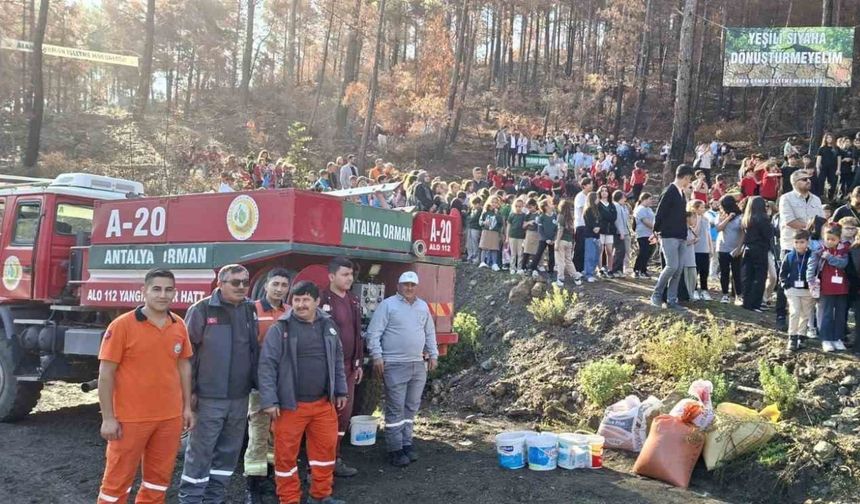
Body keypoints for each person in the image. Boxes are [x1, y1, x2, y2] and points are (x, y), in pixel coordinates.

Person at [96, 269, 193, 504]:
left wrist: (187, 408)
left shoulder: (178, 324)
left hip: (169, 418)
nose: (163, 295)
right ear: (144, 292)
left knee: (157, 481)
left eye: (168, 289)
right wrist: (108, 418)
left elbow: (184, 368)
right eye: (157, 289)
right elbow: (106, 374)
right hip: (131, 418)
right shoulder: (122, 326)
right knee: (116, 484)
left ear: (175, 293)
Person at [258, 281, 349, 504]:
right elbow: (266, 366)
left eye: (306, 299)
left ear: (317, 302)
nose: (300, 305)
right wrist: (269, 400)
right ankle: (289, 499)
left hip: (322, 404)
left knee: (325, 454)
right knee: (285, 456)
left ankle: (320, 495)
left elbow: (337, 360)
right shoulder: (281, 329)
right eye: (296, 300)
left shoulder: (328, 326)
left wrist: (340, 390)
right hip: (290, 406)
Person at [180, 265, 259, 504]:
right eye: (235, 282)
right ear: (220, 283)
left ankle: (213, 499)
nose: (242, 287)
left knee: (228, 454)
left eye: (245, 282)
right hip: (208, 397)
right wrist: (190, 393)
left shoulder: (249, 310)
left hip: (239, 397)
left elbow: (253, 351)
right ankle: (191, 500)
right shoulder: (202, 310)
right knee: (200, 453)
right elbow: (186, 356)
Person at [367, 271, 438, 467]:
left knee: (411, 407)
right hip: (395, 364)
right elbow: (374, 333)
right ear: (398, 286)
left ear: (416, 287)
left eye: (412, 285)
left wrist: (433, 354)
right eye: (405, 284)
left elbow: (429, 333)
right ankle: (394, 449)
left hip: (417, 364)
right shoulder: (388, 305)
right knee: (395, 408)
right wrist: (377, 357)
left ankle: (407, 444)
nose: (409, 288)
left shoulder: (422, 306)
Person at [244, 269, 290, 503]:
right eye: (276, 284)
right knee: (259, 433)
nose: (279, 289)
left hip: (282, 383)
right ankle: (253, 486)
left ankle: (269, 478)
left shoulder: (290, 312)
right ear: (266, 285)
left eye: (284, 285)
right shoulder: (252, 309)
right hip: (259, 382)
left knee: (276, 433)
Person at [318, 258, 364, 478]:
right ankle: (320, 464)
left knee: (343, 416)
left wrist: (358, 362)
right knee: (326, 416)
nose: (350, 279)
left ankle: (335, 459)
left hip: (349, 368)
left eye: (351, 275)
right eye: (345, 274)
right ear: (331, 277)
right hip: (327, 369)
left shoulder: (354, 301)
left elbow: (357, 334)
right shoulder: (322, 300)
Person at [776, 171, 824, 331]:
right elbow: (790, 221)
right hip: (791, 246)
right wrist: (809, 226)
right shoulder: (786, 198)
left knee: (809, 282)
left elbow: (822, 222)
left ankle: (809, 322)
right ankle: (781, 316)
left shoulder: (816, 199)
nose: (808, 181)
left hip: (812, 248)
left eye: (809, 179)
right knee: (787, 282)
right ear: (795, 182)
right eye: (804, 179)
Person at [650, 164, 694, 309]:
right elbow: (660, 212)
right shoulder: (669, 191)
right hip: (669, 235)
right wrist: (656, 231)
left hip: (681, 235)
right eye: (690, 178)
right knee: (671, 266)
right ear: (686, 177)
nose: (690, 182)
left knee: (678, 269)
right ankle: (656, 294)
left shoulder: (681, 193)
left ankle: (672, 299)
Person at [808, 223, 849, 352]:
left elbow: (843, 263)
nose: (830, 242)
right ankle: (826, 339)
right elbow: (811, 266)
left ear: (839, 239)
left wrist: (830, 257)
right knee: (825, 313)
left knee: (840, 313)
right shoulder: (819, 250)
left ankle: (837, 338)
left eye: (833, 239)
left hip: (841, 287)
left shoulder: (843, 250)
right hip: (825, 286)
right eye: (828, 239)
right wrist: (810, 281)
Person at [780, 230, 813, 352]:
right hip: (793, 289)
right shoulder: (789, 256)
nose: (799, 245)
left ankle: (801, 336)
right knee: (795, 312)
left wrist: (813, 286)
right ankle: (792, 337)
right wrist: (785, 285)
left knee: (805, 314)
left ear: (807, 242)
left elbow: (816, 271)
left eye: (802, 242)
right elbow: (783, 273)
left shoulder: (812, 256)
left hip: (807, 290)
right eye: (796, 242)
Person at [741, 196, 774, 312]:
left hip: (748, 248)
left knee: (748, 276)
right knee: (759, 277)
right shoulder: (763, 218)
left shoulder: (747, 218)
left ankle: (746, 302)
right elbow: (768, 234)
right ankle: (755, 304)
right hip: (760, 249)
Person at [716, 196, 744, 305]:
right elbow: (718, 228)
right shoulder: (721, 215)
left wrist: (739, 248)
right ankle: (725, 295)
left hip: (735, 249)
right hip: (722, 247)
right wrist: (727, 218)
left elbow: (743, 233)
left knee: (737, 272)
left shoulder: (740, 217)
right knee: (724, 272)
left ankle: (739, 295)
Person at [554, 199, 583, 287]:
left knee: (560, 261)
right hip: (569, 241)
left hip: (562, 240)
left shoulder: (560, 217)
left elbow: (560, 230)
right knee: (568, 260)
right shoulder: (571, 218)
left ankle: (560, 278)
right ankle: (576, 277)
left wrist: (557, 242)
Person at [690, 200, 712, 300]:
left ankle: (704, 290)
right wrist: (698, 218)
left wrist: (710, 248)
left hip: (705, 248)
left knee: (705, 271)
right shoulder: (693, 218)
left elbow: (708, 235)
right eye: (701, 207)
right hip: (695, 248)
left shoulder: (706, 219)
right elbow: (695, 231)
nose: (703, 209)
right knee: (695, 271)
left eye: (704, 207)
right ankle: (694, 290)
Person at [530, 199, 558, 278]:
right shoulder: (541, 217)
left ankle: (551, 270)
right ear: (545, 207)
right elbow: (540, 230)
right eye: (549, 203)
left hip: (552, 239)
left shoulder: (555, 215)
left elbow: (556, 228)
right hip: (544, 239)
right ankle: (533, 268)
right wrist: (546, 239)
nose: (552, 204)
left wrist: (553, 238)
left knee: (552, 254)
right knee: (539, 253)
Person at [596, 185, 617, 277]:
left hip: (610, 230)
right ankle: (600, 269)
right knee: (600, 250)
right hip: (601, 230)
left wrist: (606, 216)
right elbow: (599, 216)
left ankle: (610, 269)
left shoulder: (612, 205)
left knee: (609, 250)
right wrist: (607, 216)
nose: (604, 192)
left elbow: (614, 217)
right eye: (602, 191)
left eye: (606, 191)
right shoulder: (598, 204)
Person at [633, 192, 655, 278]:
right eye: (650, 199)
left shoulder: (648, 209)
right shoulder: (640, 209)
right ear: (644, 199)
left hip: (650, 234)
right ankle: (637, 270)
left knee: (648, 252)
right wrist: (656, 228)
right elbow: (645, 221)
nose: (651, 201)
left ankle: (643, 270)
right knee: (643, 252)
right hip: (643, 234)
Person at [582, 192, 602, 283]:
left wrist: (599, 227)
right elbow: (589, 223)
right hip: (590, 235)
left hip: (597, 236)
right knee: (590, 255)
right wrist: (595, 227)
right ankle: (588, 274)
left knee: (596, 256)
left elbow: (601, 221)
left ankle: (592, 272)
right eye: (597, 197)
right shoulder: (588, 210)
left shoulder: (598, 210)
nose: (599, 199)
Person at [479, 197, 503, 271]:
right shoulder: (485, 212)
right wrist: (484, 223)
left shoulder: (499, 213)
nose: (494, 204)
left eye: (496, 203)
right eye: (492, 202)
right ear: (489, 203)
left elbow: (500, 222)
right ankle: (482, 262)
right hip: (486, 231)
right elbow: (480, 222)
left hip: (495, 232)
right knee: (484, 247)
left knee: (494, 248)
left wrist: (497, 214)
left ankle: (494, 263)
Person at [611, 190, 631, 278]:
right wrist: (621, 232)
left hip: (625, 231)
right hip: (619, 232)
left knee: (622, 252)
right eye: (623, 197)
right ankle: (615, 269)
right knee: (620, 251)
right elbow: (618, 220)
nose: (625, 199)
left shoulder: (623, 206)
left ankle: (620, 270)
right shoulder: (616, 206)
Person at [817, 133, 841, 201]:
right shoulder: (822, 148)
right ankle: (821, 197)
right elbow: (818, 159)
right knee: (821, 181)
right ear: (825, 139)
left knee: (833, 183)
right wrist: (818, 168)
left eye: (830, 137)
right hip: (823, 168)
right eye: (827, 138)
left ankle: (831, 198)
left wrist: (838, 169)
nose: (829, 139)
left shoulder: (836, 148)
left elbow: (839, 159)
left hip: (833, 168)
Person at [507, 198, 527, 274]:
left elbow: (524, 226)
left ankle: (519, 268)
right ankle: (512, 267)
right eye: (516, 206)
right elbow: (508, 226)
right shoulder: (512, 215)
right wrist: (507, 237)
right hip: (512, 236)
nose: (518, 208)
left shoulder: (524, 215)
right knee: (513, 253)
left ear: (522, 207)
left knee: (520, 253)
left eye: (520, 206)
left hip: (521, 237)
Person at [522, 199, 541, 274]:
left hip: (537, 233)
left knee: (535, 251)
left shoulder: (539, 214)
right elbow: (523, 225)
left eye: (531, 207)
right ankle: (523, 266)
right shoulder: (528, 215)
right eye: (528, 207)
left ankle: (533, 267)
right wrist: (529, 222)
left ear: (535, 206)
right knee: (526, 250)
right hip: (529, 233)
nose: (529, 209)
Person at [465, 196, 483, 264]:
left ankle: (476, 258)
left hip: (476, 228)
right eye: (474, 204)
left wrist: (469, 219)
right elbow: (467, 217)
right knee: (469, 243)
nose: (475, 205)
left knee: (475, 242)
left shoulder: (480, 210)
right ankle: (470, 257)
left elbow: (474, 219)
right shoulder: (472, 210)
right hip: (470, 227)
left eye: (477, 204)